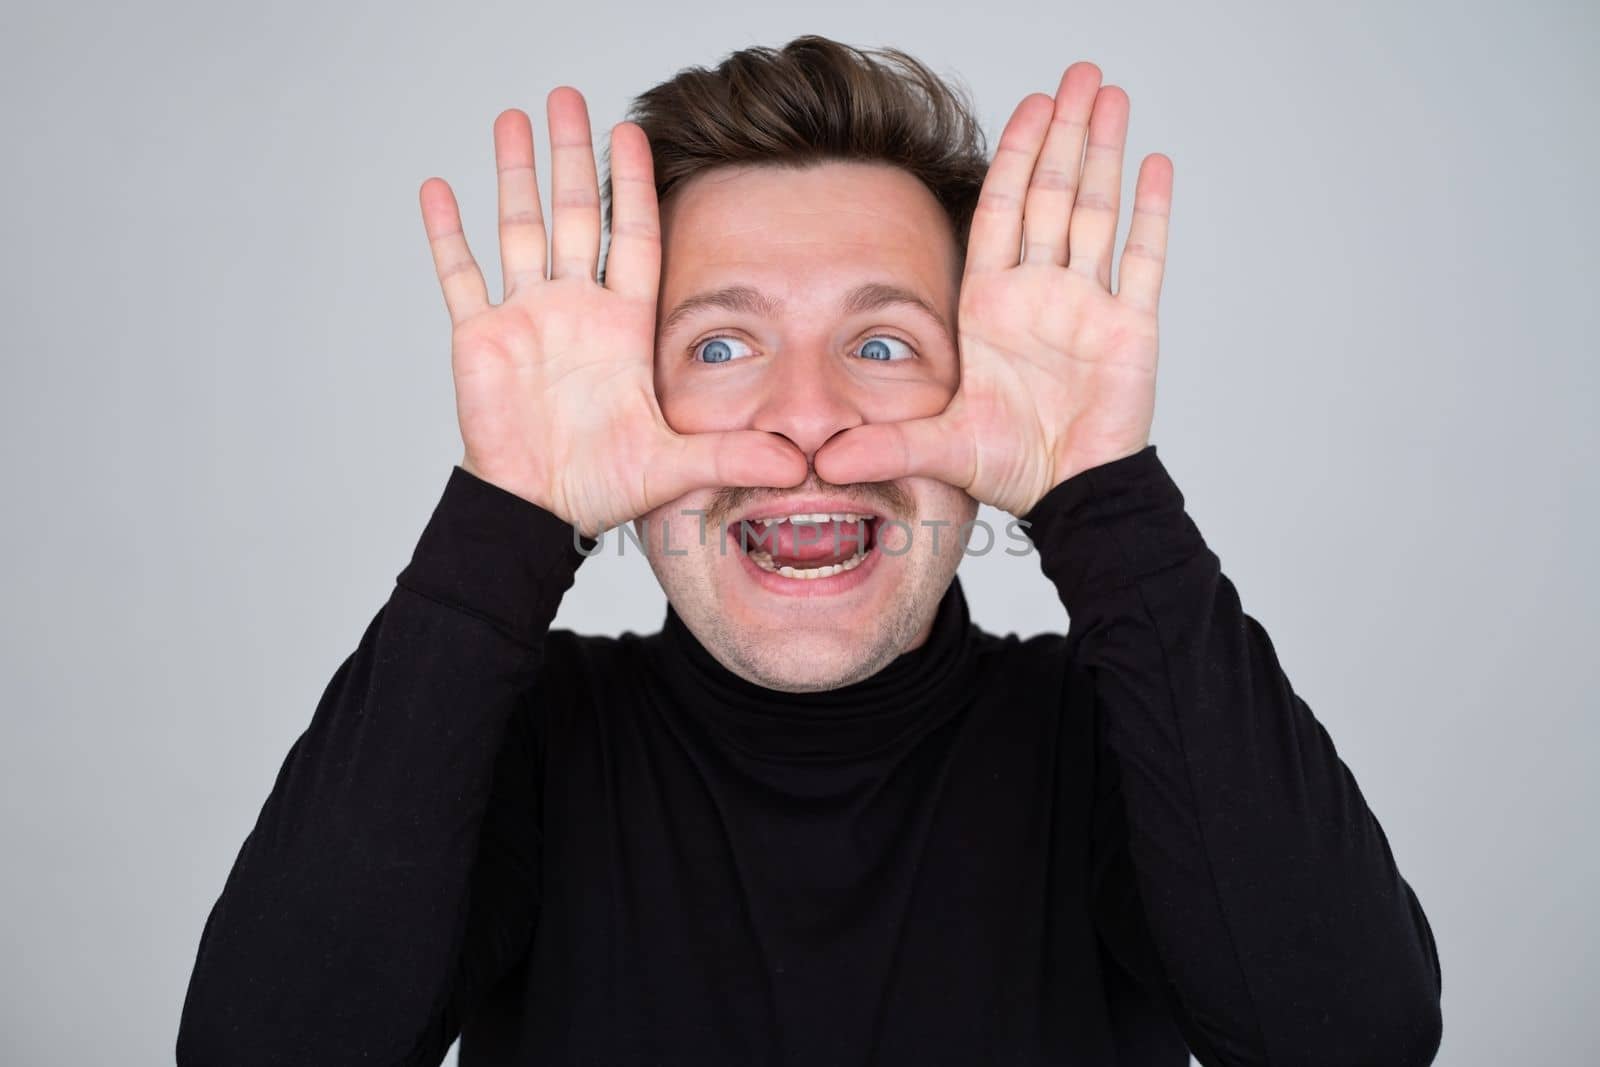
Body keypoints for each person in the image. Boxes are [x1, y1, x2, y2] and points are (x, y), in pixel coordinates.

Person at [176, 35, 1443, 1066]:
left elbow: (1351, 1036)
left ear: (980, 401)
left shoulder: (1110, 733)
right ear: (634, 399)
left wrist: (1100, 490)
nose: (803, 415)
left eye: (883, 342)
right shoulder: (527, 739)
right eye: (720, 346)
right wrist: (511, 509)